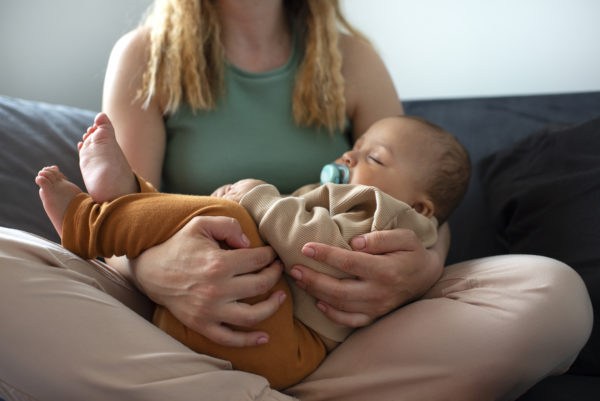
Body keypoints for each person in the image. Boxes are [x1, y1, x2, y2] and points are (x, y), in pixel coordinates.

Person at [0, 1, 592, 400]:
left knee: (552, 293)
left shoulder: (349, 60)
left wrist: (423, 267)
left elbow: (416, 195)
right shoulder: (145, 55)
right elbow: (127, 212)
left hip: (331, 322)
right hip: (181, 304)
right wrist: (161, 272)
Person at [35, 113, 470, 389]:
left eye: (373, 157)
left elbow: (317, 250)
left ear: (420, 208)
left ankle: (96, 216)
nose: (350, 157)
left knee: (230, 218)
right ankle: (126, 200)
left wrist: (255, 197)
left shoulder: (385, 214)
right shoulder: (338, 197)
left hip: (281, 342)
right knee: (222, 222)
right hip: (192, 295)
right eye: (353, 150)